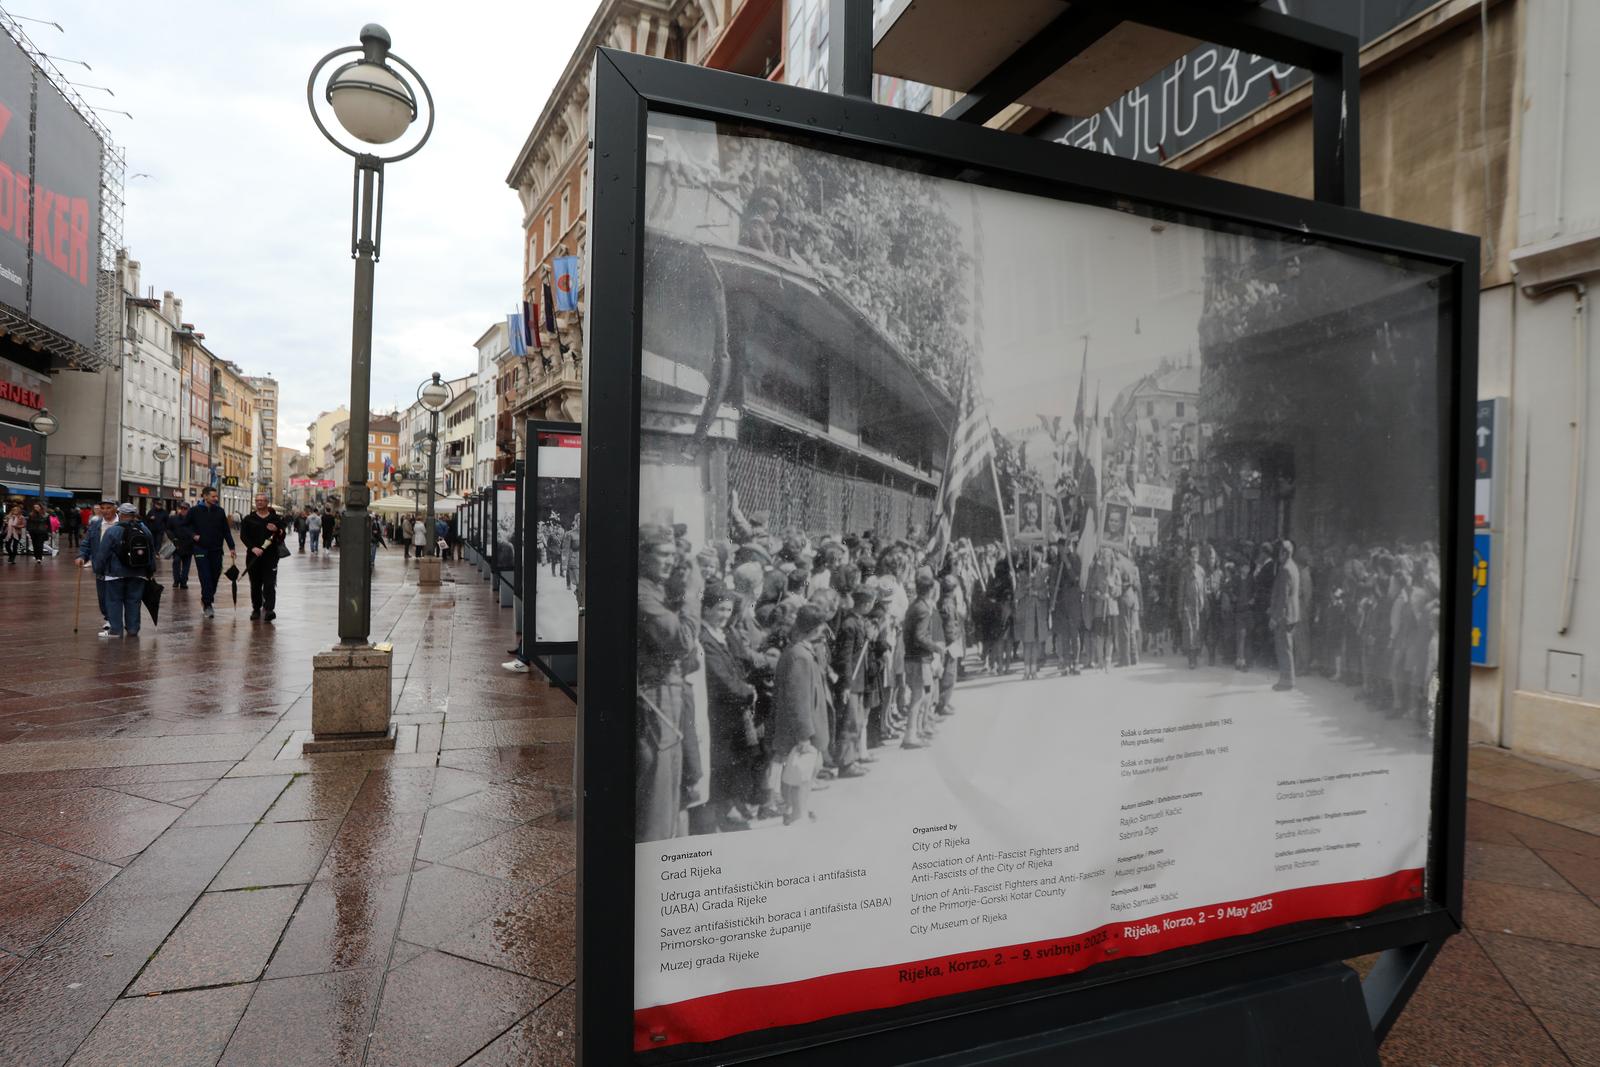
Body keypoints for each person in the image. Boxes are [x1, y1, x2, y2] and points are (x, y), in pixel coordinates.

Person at [636, 524, 702, 842]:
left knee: (672, 784)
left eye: (672, 556)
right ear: (643, 555)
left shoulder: (657, 590)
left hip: (667, 694)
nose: (669, 562)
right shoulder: (642, 593)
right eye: (662, 555)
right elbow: (683, 640)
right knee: (657, 795)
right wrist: (690, 596)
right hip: (653, 698)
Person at [772, 603, 830, 826]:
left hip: (806, 724)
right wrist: (804, 734)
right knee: (802, 772)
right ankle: (798, 813)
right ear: (817, 628)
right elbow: (798, 699)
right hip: (804, 727)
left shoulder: (801, 650)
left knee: (806, 769)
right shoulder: (800, 656)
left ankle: (798, 809)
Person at [94, 504, 155, 638]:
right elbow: (151, 552)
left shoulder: (113, 531)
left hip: (115, 573)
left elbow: (103, 553)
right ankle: (133, 629)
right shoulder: (145, 530)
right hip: (138, 573)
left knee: (114, 601)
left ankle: (116, 630)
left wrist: (98, 570)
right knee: (133, 601)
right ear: (135, 515)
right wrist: (150, 571)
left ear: (120, 514)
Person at [901, 573, 943, 749]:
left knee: (921, 694)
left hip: (913, 656)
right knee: (918, 696)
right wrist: (936, 647)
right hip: (919, 658)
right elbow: (920, 636)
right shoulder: (923, 609)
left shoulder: (915, 605)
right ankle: (910, 735)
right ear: (931, 589)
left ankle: (915, 730)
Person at [187, 488, 237, 619]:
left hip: (216, 549)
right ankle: (208, 604)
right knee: (205, 577)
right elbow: (185, 526)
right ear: (205, 496)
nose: (216, 498)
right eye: (213, 496)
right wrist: (193, 535)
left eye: (216, 496)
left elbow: (226, 531)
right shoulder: (194, 511)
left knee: (215, 575)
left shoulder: (220, 511)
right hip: (200, 549)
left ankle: (206, 598)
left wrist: (232, 547)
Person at [240, 493, 285, 622]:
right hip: (253, 557)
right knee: (255, 584)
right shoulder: (249, 519)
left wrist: (277, 529)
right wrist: (253, 548)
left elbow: (282, 535)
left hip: (271, 557)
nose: (259, 502)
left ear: (267, 502)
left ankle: (269, 609)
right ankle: (256, 608)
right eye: (257, 500)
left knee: (270, 584)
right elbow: (244, 536)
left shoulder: (275, 518)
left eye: (262, 500)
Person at [77, 501, 115, 632]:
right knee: (103, 595)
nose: (105, 511)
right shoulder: (96, 524)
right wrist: (81, 556)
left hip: (119, 566)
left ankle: (115, 619)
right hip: (101, 565)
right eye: (102, 508)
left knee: (116, 595)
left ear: (115, 509)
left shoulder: (122, 523)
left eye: (108, 508)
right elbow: (86, 543)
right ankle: (109, 618)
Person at [1270, 539, 1301, 691]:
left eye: (1279, 553)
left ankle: (1287, 681)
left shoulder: (1285, 570)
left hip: (1284, 615)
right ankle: (1287, 678)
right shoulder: (1293, 567)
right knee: (1287, 647)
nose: (1278, 556)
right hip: (1292, 613)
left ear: (1284, 553)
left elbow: (1283, 597)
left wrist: (1275, 618)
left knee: (1283, 648)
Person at [1177, 543, 1207, 669]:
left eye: (1196, 557)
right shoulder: (1184, 571)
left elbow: (1204, 589)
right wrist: (1180, 608)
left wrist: (1204, 603)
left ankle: (1195, 654)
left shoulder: (1201, 571)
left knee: (1197, 630)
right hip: (1187, 605)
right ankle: (1191, 659)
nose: (1193, 560)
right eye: (1191, 557)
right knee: (1189, 631)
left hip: (1198, 605)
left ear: (1198, 558)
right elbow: (1181, 590)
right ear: (1189, 558)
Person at [167, 502, 194, 588]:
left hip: (188, 545)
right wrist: (173, 538)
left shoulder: (192, 520)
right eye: (181, 508)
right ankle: (176, 580)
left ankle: (183, 582)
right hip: (177, 545)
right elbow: (168, 529)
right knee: (176, 562)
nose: (183, 510)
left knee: (186, 566)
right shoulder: (173, 519)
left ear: (188, 510)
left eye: (185, 509)